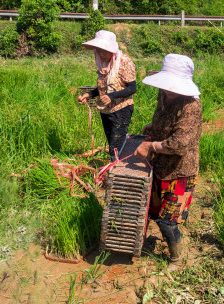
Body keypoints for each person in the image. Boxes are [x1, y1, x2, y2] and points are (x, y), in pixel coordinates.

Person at [133, 54, 202, 262]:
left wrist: (151, 145)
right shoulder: (163, 95)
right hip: (161, 165)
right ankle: (177, 222)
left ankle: (176, 258)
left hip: (180, 171)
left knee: (166, 221)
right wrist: (154, 128)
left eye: (171, 86)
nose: (166, 89)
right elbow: (166, 122)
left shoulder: (191, 106)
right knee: (155, 212)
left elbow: (179, 143)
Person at [77, 30, 136, 159]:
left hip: (121, 109)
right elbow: (104, 88)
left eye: (104, 50)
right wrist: (89, 94)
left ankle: (114, 172)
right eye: (98, 50)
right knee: (112, 144)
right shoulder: (103, 64)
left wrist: (112, 96)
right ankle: (113, 167)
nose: (101, 54)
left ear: (112, 50)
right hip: (106, 110)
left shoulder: (124, 62)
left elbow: (132, 88)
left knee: (116, 146)